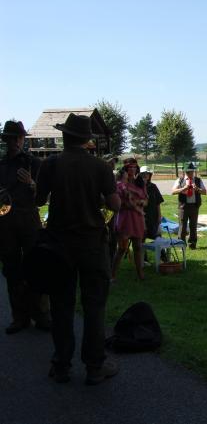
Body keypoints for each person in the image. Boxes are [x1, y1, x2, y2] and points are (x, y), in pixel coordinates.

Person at [35, 113, 120, 385]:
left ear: (65, 136)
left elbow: (39, 200)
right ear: (86, 140)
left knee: (62, 306)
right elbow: (115, 205)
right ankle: (94, 367)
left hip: (59, 245)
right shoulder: (100, 167)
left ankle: (61, 365)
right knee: (94, 306)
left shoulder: (50, 164)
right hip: (92, 244)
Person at [0, 120, 51, 334]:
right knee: (12, 270)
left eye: (18, 137)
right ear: (6, 140)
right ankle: (19, 317)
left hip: (29, 219)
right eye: (10, 138)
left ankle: (41, 315)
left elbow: (43, 198)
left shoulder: (34, 163)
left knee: (36, 266)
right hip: (6, 222)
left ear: (22, 139)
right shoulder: (1, 165)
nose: (14, 141)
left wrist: (31, 183)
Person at [111, 159, 147, 281]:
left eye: (134, 167)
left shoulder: (140, 183)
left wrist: (142, 202)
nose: (132, 169)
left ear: (137, 169)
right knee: (122, 248)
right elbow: (118, 202)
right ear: (125, 170)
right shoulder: (121, 184)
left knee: (138, 247)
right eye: (129, 167)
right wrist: (131, 204)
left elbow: (146, 200)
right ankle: (112, 275)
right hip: (125, 216)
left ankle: (140, 274)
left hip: (137, 217)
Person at [172, 162, 206, 250]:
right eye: (187, 172)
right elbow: (173, 191)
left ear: (193, 171)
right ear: (184, 172)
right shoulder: (180, 180)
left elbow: (205, 192)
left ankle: (192, 244)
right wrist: (183, 188)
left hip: (194, 206)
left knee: (193, 226)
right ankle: (181, 245)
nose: (189, 173)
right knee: (182, 226)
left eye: (191, 171)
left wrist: (197, 189)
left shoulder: (198, 180)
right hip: (183, 207)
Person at [140, 165, 163, 241]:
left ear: (150, 175)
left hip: (153, 216)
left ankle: (159, 249)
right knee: (141, 237)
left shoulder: (153, 187)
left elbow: (158, 202)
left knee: (156, 237)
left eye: (147, 174)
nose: (145, 175)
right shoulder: (137, 187)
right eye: (143, 174)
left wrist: (159, 215)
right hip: (141, 215)